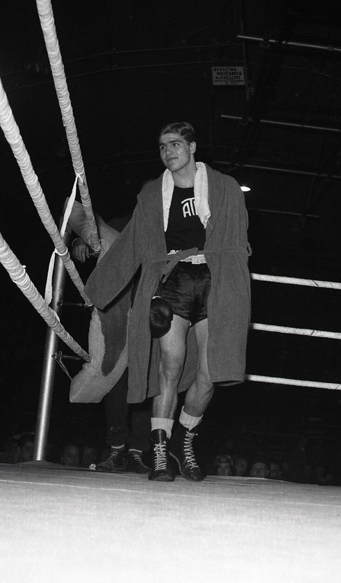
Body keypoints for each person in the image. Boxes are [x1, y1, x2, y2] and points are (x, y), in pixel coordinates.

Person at [85, 121, 251, 483]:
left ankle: (184, 439)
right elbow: (132, 241)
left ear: (192, 147)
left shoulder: (224, 188)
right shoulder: (151, 195)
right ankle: (159, 452)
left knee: (210, 373)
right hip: (171, 281)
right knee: (169, 368)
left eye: (175, 144)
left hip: (214, 282)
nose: (168, 151)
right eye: (162, 146)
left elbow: (238, 246)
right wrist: (99, 288)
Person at [69, 211, 152, 476]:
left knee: (146, 379)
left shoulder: (168, 224)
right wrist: (79, 241)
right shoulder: (122, 223)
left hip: (151, 310)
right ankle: (117, 450)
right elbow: (94, 229)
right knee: (114, 377)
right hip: (119, 310)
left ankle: (137, 452)